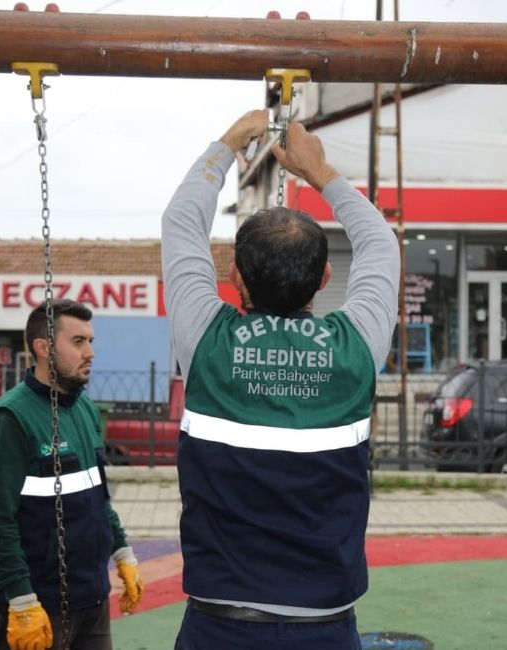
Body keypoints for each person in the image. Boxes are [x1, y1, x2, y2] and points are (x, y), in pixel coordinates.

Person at [162, 110, 400, 649]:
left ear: (234, 278)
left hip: (219, 625)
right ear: (324, 278)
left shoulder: (205, 340)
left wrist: (228, 144)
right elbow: (380, 244)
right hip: (324, 628)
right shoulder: (357, 346)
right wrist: (321, 172)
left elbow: (181, 222)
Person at [0, 299, 144, 650]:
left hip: (92, 598)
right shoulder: (10, 419)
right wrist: (21, 600)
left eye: (90, 341)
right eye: (78, 342)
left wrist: (123, 553)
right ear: (43, 348)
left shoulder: (85, 408)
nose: (90, 353)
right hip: (38, 605)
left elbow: (99, 497)